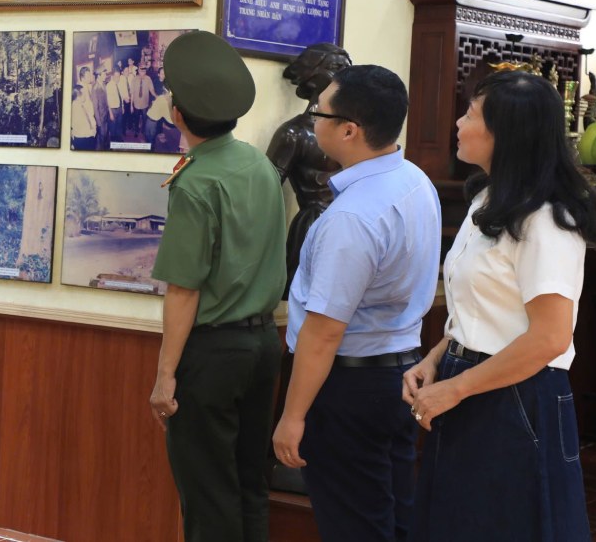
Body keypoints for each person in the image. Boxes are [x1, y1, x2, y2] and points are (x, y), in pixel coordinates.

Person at [404, 71, 596, 542]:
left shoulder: (547, 218)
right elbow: (482, 307)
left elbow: (550, 337)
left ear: (506, 134)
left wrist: (457, 388)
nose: (457, 122)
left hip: (517, 396)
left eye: (470, 114)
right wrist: (436, 359)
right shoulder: (488, 197)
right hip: (468, 382)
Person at [272, 65, 441, 542]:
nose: (313, 121)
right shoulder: (413, 179)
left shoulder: (353, 216)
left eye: (318, 112)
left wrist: (292, 416)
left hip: (349, 385)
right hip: (398, 376)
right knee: (393, 519)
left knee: (355, 526)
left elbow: (324, 333)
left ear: (349, 130)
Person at [149, 30, 286, 542]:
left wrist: (166, 378)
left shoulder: (197, 180)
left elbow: (184, 288)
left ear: (178, 113)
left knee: (208, 497)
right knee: (250, 484)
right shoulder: (258, 164)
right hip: (263, 343)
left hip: (213, 354)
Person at [267, 43, 351, 294]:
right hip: (314, 224)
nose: (345, 75)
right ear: (313, 77)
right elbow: (267, 190)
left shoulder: (353, 129)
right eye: (336, 68)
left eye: (348, 68)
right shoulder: (294, 133)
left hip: (349, 224)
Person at [70, 83, 97, 150]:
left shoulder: (81, 105)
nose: (85, 95)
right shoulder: (75, 108)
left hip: (87, 137)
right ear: (79, 96)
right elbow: (82, 127)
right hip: (83, 139)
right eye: (84, 93)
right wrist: (92, 132)